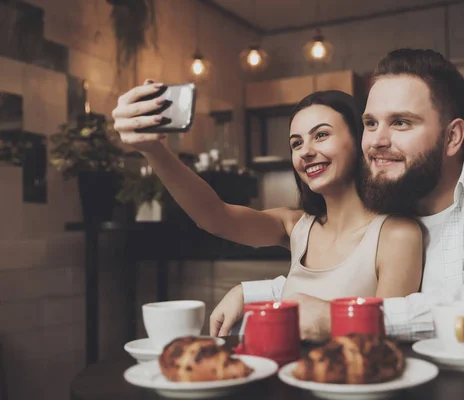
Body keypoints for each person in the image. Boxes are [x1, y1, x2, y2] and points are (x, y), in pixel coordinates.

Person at [223, 49, 464, 398]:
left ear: (452, 136)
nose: (377, 141)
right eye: (370, 123)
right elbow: (347, 276)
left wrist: (348, 320)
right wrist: (260, 294)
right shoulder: (393, 207)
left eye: (401, 123)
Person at [111, 86, 423, 340]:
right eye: (296, 143)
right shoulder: (296, 225)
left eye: (321, 135)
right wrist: (154, 151)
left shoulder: (396, 235)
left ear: (359, 141)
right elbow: (213, 216)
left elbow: (387, 343)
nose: (306, 150)